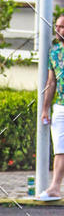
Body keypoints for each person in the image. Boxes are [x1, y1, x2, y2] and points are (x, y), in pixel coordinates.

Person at [38, 13, 64, 200]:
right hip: (60, 107)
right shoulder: (54, 52)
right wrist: (45, 108)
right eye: (57, 26)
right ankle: (55, 188)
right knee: (60, 149)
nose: (58, 30)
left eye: (62, 27)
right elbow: (51, 81)